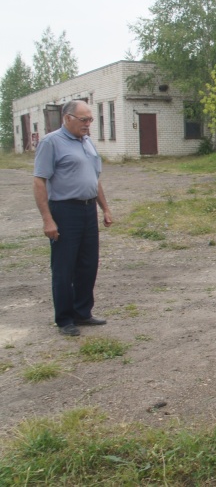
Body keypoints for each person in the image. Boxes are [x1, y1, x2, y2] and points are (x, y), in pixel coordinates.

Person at [33, 100, 113, 336]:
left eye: (90, 120)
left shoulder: (86, 142)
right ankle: (65, 319)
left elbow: (93, 178)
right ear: (67, 118)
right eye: (84, 119)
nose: (88, 124)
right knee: (64, 267)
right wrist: (48, 219)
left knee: (88, 264)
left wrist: (105, 208)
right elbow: (39, 181)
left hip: (88, 210)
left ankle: (82, 312)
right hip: (64, 210)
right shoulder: (51, 143)